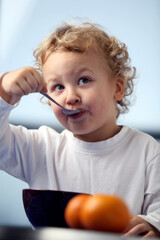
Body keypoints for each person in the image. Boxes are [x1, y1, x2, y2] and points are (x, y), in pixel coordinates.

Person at [0, 21, 160, 238]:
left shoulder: (147, 151)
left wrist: (153, 224)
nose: (70, 96)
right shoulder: (41, 148)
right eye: (58, 87)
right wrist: (4, 93)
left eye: (84, 80)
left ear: (118, 88)